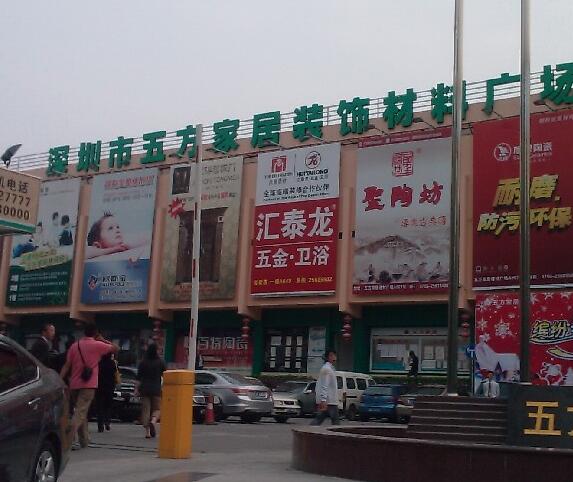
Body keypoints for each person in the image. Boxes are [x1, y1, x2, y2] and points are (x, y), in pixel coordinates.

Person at [60, 323, 119, 450]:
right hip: (89, 384)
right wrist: (103, 339)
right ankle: (69, 435)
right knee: (80, 412)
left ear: (84, 332)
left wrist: (60, 379)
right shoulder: (97, 345)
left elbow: (67, 365)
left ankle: (84, 441)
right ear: (95, 333)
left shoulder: (75, 346)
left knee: (81, 411)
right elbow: (115, 348)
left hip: (74, 384)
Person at [137, 343, 166, 438]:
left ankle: (147, 432)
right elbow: (165, 374)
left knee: (146, 410)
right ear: (156, 351)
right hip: (156, 389)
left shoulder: (143, 362)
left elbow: (138, 378)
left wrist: (136, 389)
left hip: (144, 389)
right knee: (157, 409)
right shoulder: (160, 362)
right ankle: (153, 421)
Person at [311, 349, 339, 426]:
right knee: (335, 421)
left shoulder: (330, 368)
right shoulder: (327, 369)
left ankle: (310, 429)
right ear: (328, 357)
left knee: (320, 419)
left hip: (330, 400)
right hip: (329, 401)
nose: (334, 357)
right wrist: (323, 400)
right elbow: (324, 385)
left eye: (334, 355)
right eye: (332, 355)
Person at [95, 353, 118, 432]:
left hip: (99, 386)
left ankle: (100, 425)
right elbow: (115, 374)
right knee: (108, 406)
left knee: (100, 407)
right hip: (110, 387)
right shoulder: (112, 363)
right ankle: (107, 421)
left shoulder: (99, 363)